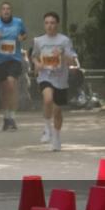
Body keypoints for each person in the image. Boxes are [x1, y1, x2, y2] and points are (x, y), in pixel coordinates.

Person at [32, 12, 79, 151]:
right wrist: (37, 64)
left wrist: (62, 54)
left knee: (57, 110)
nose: (49, 26)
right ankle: (47, 128)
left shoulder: (64, 40)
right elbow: (33, 56)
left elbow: (72, 60)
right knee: (47, 99)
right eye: (46, 23)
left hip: (60, 79)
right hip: (45, 76)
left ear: (57, 24)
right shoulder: (39, 41)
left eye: (52, 23)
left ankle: (56, 136)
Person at [0, 2, 28, 131]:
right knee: (4, 90)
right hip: (0, 61)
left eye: (8, 9)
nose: (6, 11)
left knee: (11, 84)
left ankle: (12, 117)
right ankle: (6, 117)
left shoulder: (18, 22)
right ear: (0, 11)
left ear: (11, 11)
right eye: (3, 9)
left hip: (14, 59)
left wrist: (22, 37)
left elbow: (25, 34)